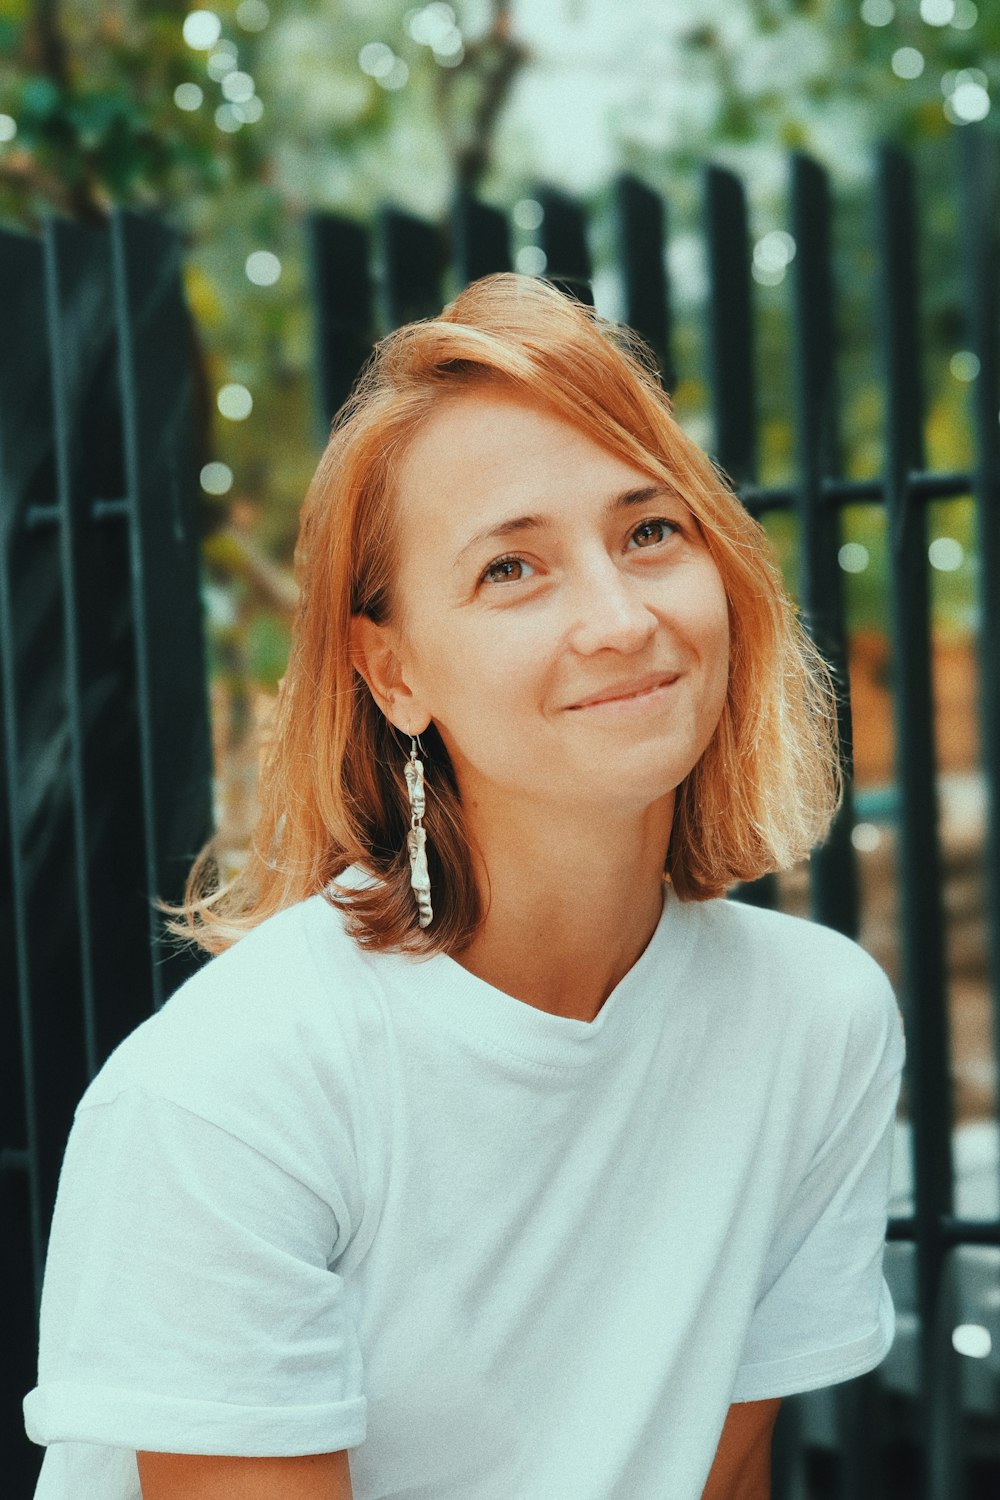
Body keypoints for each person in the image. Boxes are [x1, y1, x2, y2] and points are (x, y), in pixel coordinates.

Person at [23, 274, 905, 1500]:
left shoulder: (816, 1023)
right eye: (510, 570)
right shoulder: (230, 1092)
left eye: (650, 531)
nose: (617, 617)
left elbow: (723, 1479)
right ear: (390, 671)